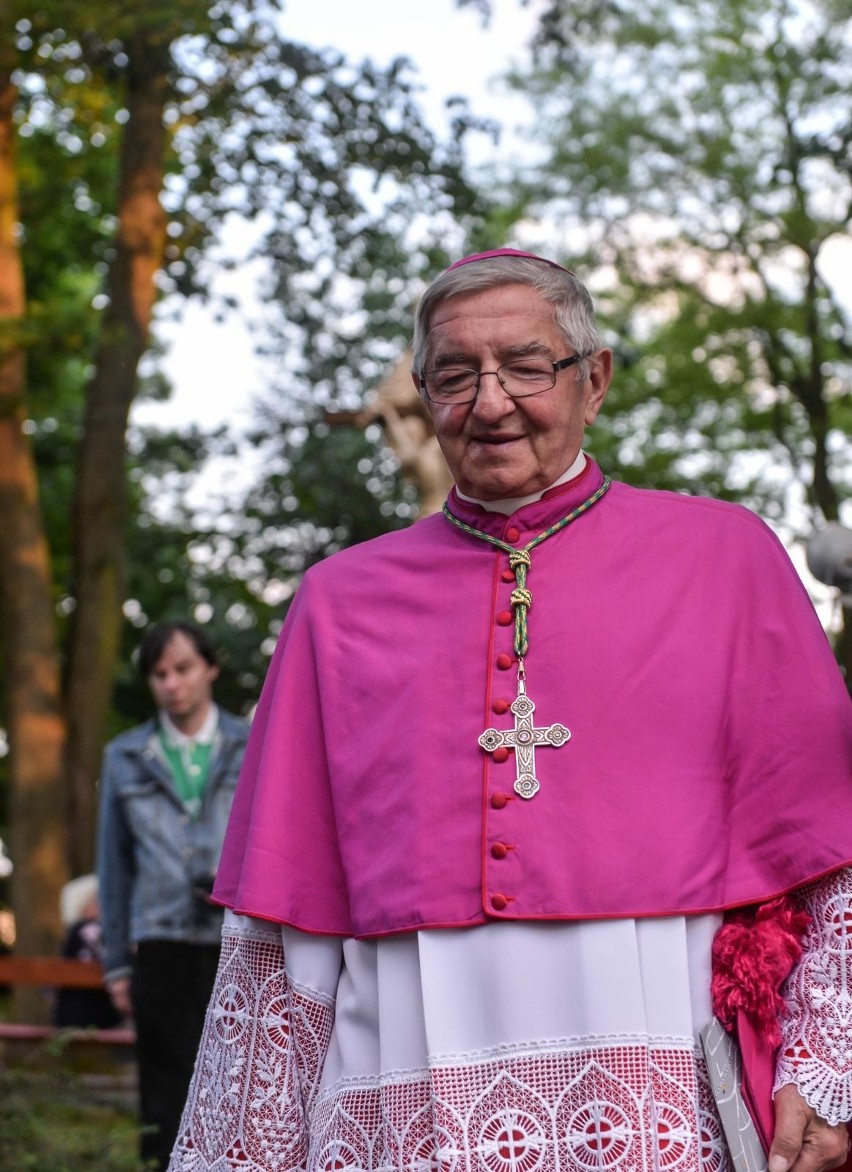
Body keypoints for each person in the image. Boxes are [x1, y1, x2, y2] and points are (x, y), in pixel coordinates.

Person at [167, 250, 852, 1172]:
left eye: (527, 367)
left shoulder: (726, 558)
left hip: (661, 1066)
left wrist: (828, 1063)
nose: (490, 404)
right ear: (422, 395)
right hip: (403, 1062)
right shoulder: (337, 602)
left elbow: (830, 853)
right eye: (454, 376)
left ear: (593, 379)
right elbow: (283, 922)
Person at [98, 619, 250, 1171]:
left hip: (237, 938)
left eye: (183, 668)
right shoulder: (125, 755)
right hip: (158, 943)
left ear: (209, 667)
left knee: (239, 1088)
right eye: (159, 674)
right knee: (164, 1093)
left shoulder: (251, 744)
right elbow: (113, 866)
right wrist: (116, 962)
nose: (172, 684)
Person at [54, 873, 123, 1030]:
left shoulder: (72, 931)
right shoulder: (91, 930)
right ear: (83, 904)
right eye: (97, 900)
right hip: (94, 1017)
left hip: (68, 1015)